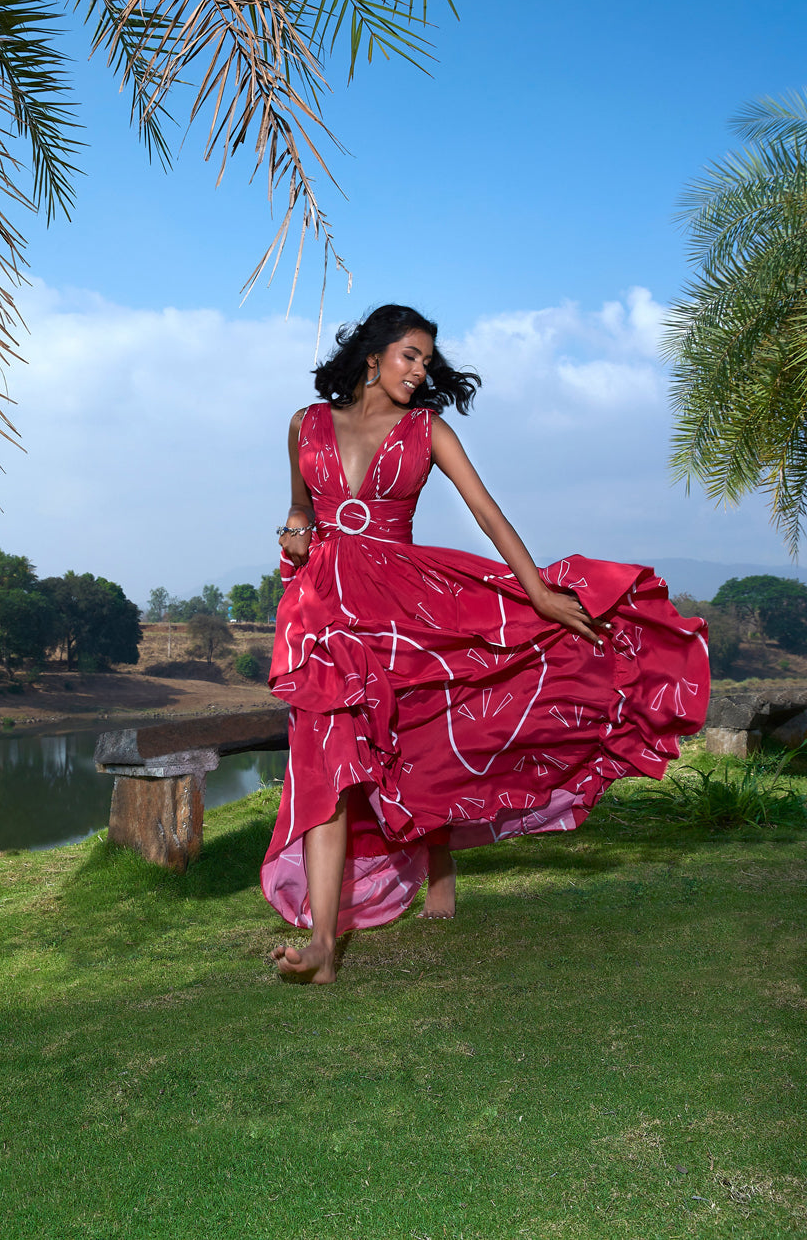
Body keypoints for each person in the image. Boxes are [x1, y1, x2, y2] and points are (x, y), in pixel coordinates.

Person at [263, 304, 710, 984]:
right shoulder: (305, 424)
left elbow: (485, 510)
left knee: (422, 732)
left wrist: (535, 591)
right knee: (331, 758)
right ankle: (324, 945)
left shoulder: (427, 430)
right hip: (323, 608)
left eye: (426, 360)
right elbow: (300, 504)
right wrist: (296, 525)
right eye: (411, 354)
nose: (421, 369)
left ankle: (434, 866)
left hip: (402, 602)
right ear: (373, 354)